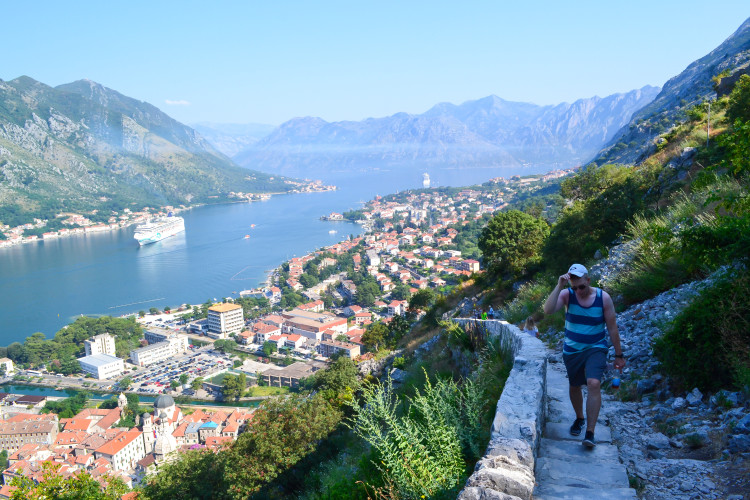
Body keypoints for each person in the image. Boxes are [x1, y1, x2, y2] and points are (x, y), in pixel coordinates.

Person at [543, 263, 625, 448]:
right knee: (574, 385)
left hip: (596, 348)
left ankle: (590, 432)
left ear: (588, 281)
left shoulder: (603, 298)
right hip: (572, 350)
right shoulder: (567, 295)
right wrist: (559, 286)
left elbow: (612, 327)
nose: (578, 291)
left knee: (593, 383)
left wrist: (619, 355)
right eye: (575, 287)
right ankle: (579, 418)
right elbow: (547, 310)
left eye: (582, 286)